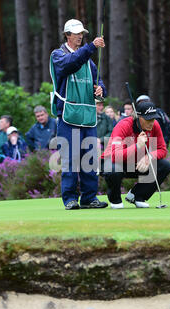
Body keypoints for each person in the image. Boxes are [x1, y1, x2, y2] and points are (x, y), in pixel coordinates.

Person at [50, 18, 108, 210]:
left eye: (82, 34)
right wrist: (91, 47)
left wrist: (100, 90)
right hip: (68, 116)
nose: (81, 36)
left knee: (90, 160)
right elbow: (70, 64)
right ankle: (69, 199)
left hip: (88, 115)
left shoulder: (89, 61)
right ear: (67, 35)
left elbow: (99, 83)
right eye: (77, 33)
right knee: (70, 159)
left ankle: (89, 198)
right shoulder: (58, 55)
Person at [101, 101, 170, 209]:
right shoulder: (123, 125)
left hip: (136, 163)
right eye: (148, 119)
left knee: (165, 166)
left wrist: (149, 157)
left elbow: (162, 149)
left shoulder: (155, 125)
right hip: (114, 162)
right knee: (113, 169)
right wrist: (137, 146)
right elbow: (115, 155)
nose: (151, 122)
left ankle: (137, 195)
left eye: (153, 118)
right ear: (138, 117)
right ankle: (115, 200)